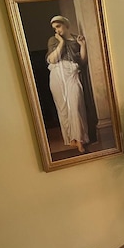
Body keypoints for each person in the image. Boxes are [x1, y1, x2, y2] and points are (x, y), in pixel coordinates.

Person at [46, 15, 89, 154]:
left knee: (75, 106)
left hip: (72, 74)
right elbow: (52, 60)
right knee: (63, 109)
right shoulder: (54, 40)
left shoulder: (76, 39)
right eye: (54, 28)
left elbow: (82, 62)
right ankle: (71, 138)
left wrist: (82, 46)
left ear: (66, 25)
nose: (56, 30)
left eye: (58, 26)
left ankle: (80, 140)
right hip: (57, 74)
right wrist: (61, 44)